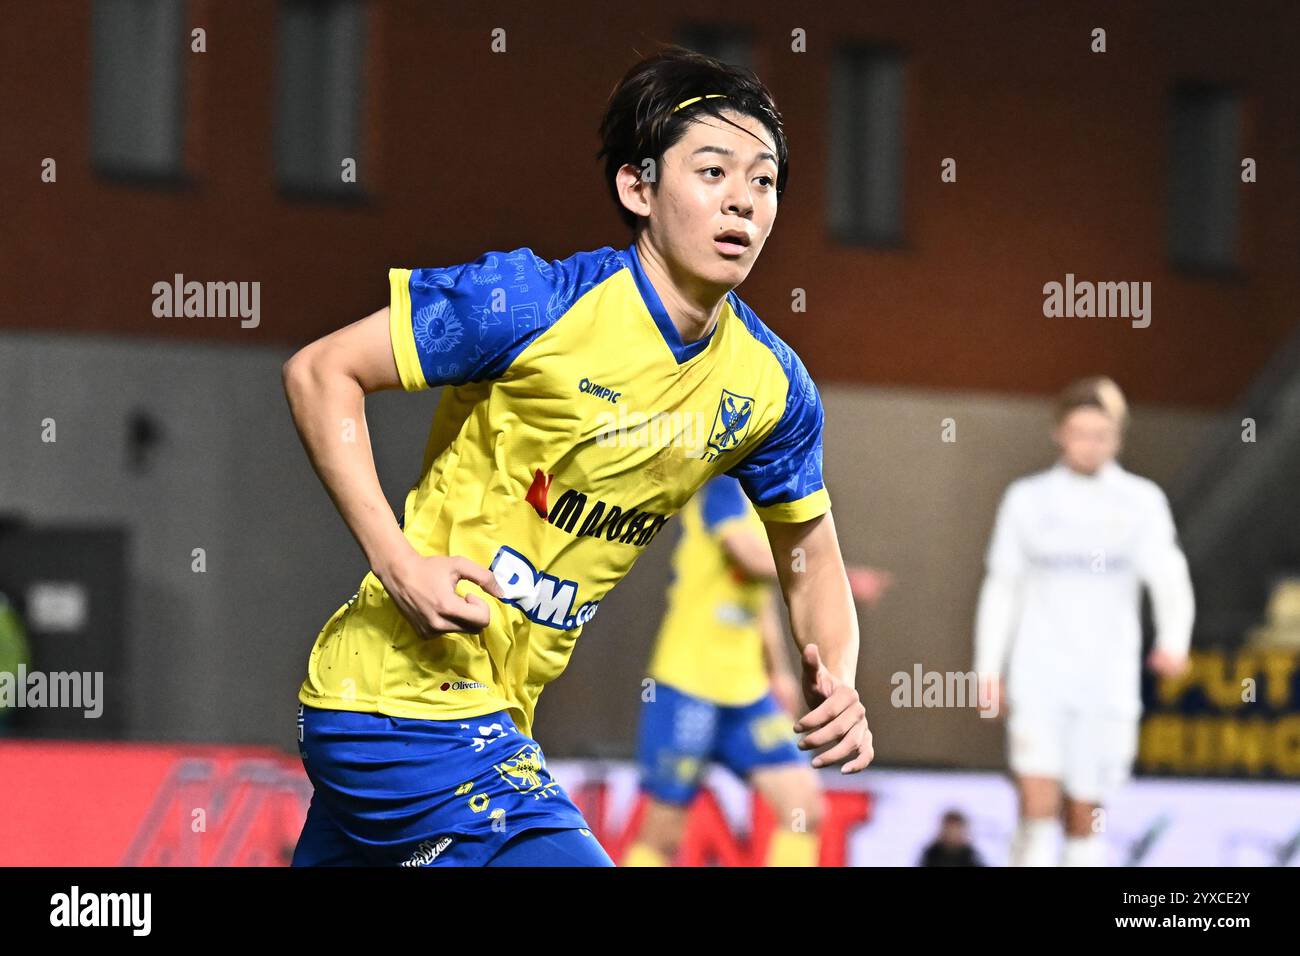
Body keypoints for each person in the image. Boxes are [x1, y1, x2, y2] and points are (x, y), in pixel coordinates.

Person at [283, 47, 873, 867]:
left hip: (481, 711)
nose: (743, 198)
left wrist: (837, 674)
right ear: (639, 188)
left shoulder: (771, 390)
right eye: (712, 171)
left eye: (765, 180)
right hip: (402, 706)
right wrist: (396, 560)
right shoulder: (532, 303)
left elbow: (808, 548)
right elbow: (321, 372)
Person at [973, 376, 1194, 867]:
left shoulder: (1141, 501)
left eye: (1101, 434)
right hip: (1039, 673)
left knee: (1086, 811)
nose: (1089, 445)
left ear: (1117, 437)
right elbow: (1002, 585)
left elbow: (1168, 575)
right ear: (1059, 432)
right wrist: (988, 668)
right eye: (1079, 432)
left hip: (1107, 679)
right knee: (1036, 801)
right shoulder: (1027, 499)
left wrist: (1174, 639)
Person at [625, 475, 890, 867]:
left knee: (805, 810)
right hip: (688, 683)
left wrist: (778, 671)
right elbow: (747, 556)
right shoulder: (722, 487)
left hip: (746, 692)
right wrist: (834, 580)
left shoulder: (764, 500)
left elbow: (757, 599)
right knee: (663, 836)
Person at [918, 810, 984, 867]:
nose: (952, 834)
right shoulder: (930, 855)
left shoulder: (972, 857)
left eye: (956, 830)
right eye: (950, 830)